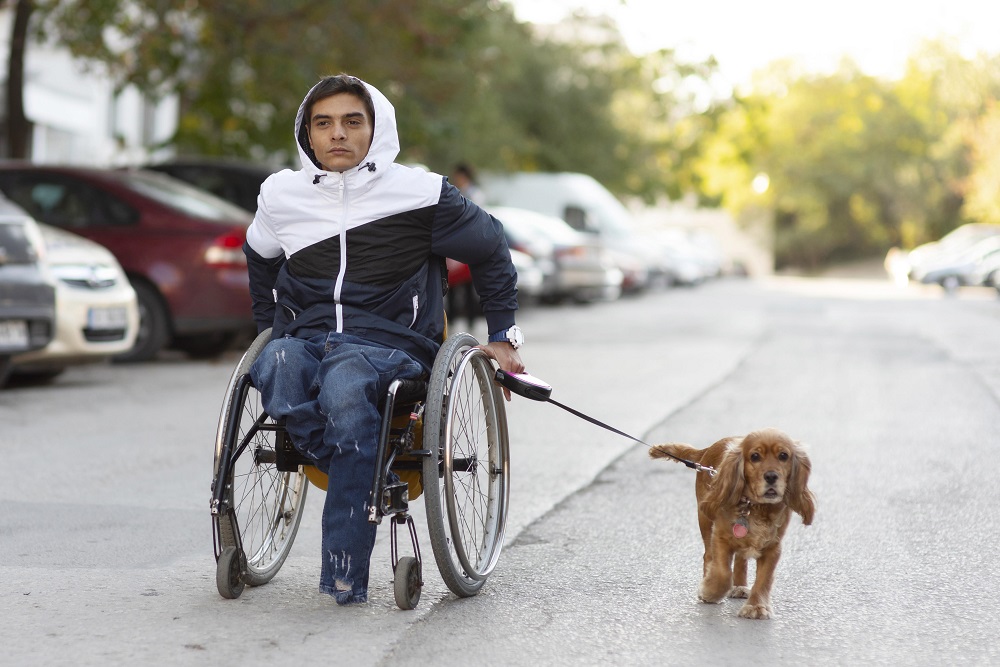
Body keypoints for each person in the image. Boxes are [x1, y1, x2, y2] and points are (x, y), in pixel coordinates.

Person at [242, 74, 525, 606]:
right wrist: (268, 325)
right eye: (323, 123)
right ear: (307, 133)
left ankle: (345, 571)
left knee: (346, 383)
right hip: (306, 337)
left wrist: (504, 336)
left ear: (377, 128)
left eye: (353, 121)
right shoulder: (281, 194)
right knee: (274, 361)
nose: (338, 135)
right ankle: (350, 460)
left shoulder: (419, 193)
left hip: (390, 342)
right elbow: (259, 255)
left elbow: (490, 247)